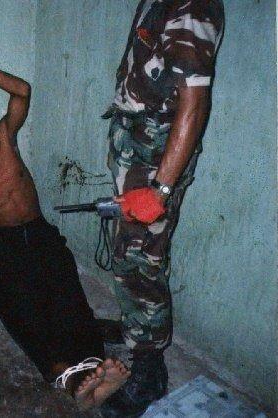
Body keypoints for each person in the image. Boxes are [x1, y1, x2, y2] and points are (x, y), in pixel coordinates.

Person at [0, 34, 129, 412]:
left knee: (67, 296)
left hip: (39, 233)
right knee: (19, 309)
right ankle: (72, 381)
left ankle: (94, 370)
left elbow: (22, 90)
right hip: (4, 245)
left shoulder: (3, 138)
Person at [99, 1, 225, 416]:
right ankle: (136, 326)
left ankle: (149, 367)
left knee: (141, 260)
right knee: (129, 253)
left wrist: (160, 190)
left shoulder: (191, 7)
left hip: (155, 161)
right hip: (138, 151)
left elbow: (194, 103)